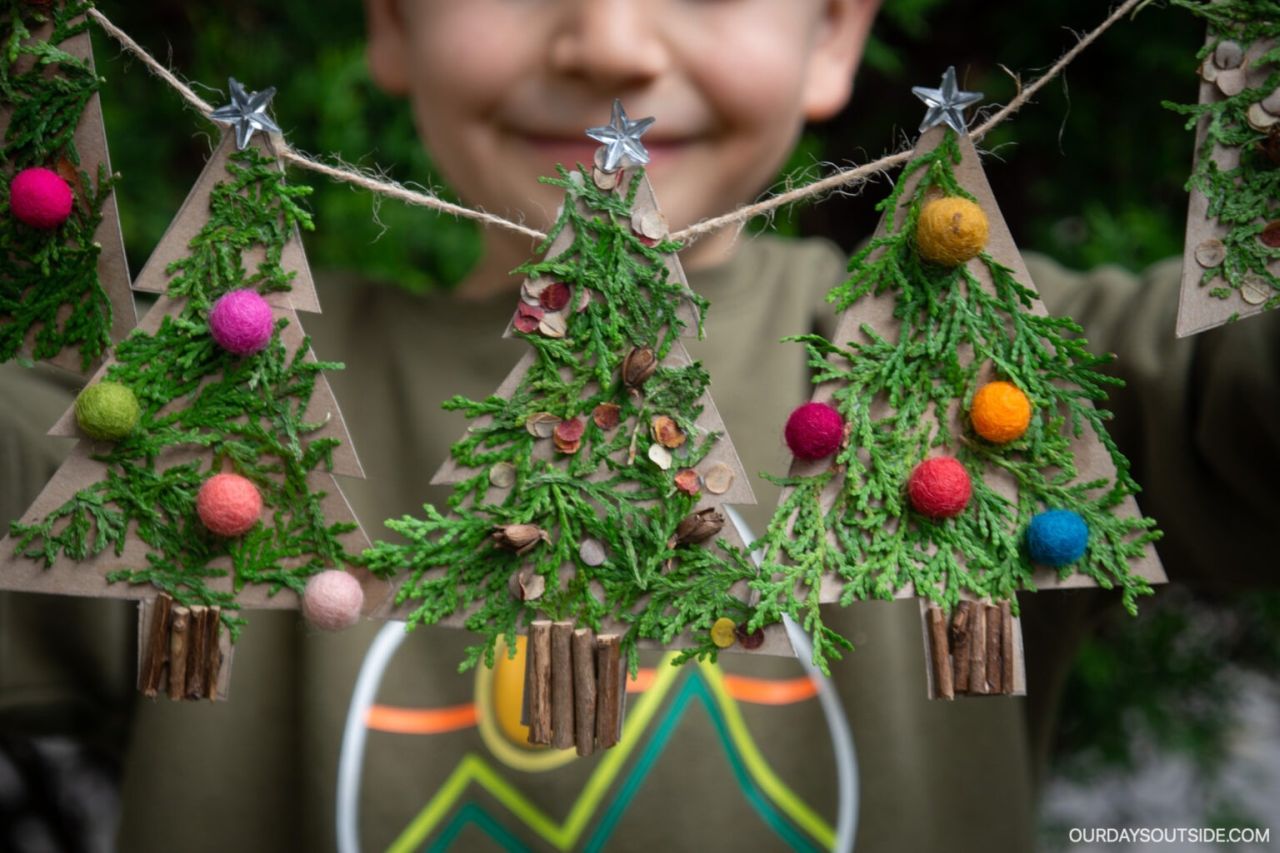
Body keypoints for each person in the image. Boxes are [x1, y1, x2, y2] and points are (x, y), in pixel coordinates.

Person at [1, 1, 1277, 850]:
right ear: (392, 23)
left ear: (833, 34)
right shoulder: (184, 421)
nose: (608, 40)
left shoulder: (1002, 373)